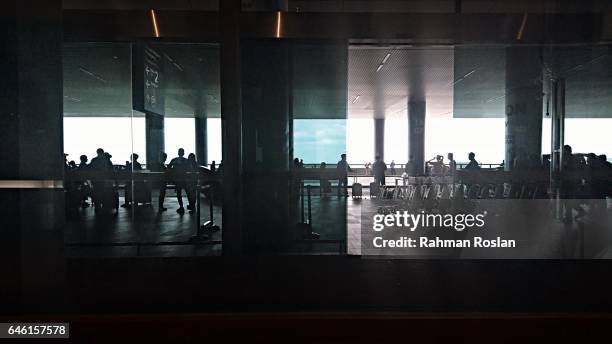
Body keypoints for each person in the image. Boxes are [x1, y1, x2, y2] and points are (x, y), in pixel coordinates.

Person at [168, 148, 189, 214]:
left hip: (177, 179)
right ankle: (191, 205)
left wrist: (173, 173)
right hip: (185, 179)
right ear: (183, 153)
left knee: (179, 193)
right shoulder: (186, 160)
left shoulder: (174, 160)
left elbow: (168, 167)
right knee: (188, 192)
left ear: (178, 153)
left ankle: (181, 206)